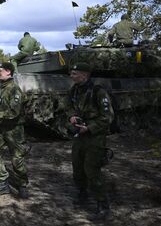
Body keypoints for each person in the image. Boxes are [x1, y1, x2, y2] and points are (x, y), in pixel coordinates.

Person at [68, 62, 114, 220]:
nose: (72, 76)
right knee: (77, 167)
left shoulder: (98, 92)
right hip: (80, 136)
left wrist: (90, 127)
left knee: (92, 170)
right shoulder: (74, 90)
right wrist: (72, 116)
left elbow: (108, 117)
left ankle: (104, 207)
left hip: (95, 137)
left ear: (85, 75)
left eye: (75, 74)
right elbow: (68, 106)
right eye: (72, 73)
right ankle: (82, 194)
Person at [0, 62, 29, 198]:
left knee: (17, 159)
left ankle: (22, 185)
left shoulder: (14, 89)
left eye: (0, 70)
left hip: (14, 129)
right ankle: (3, 183)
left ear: (8, 72)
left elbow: (14, 112)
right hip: (0, 128)